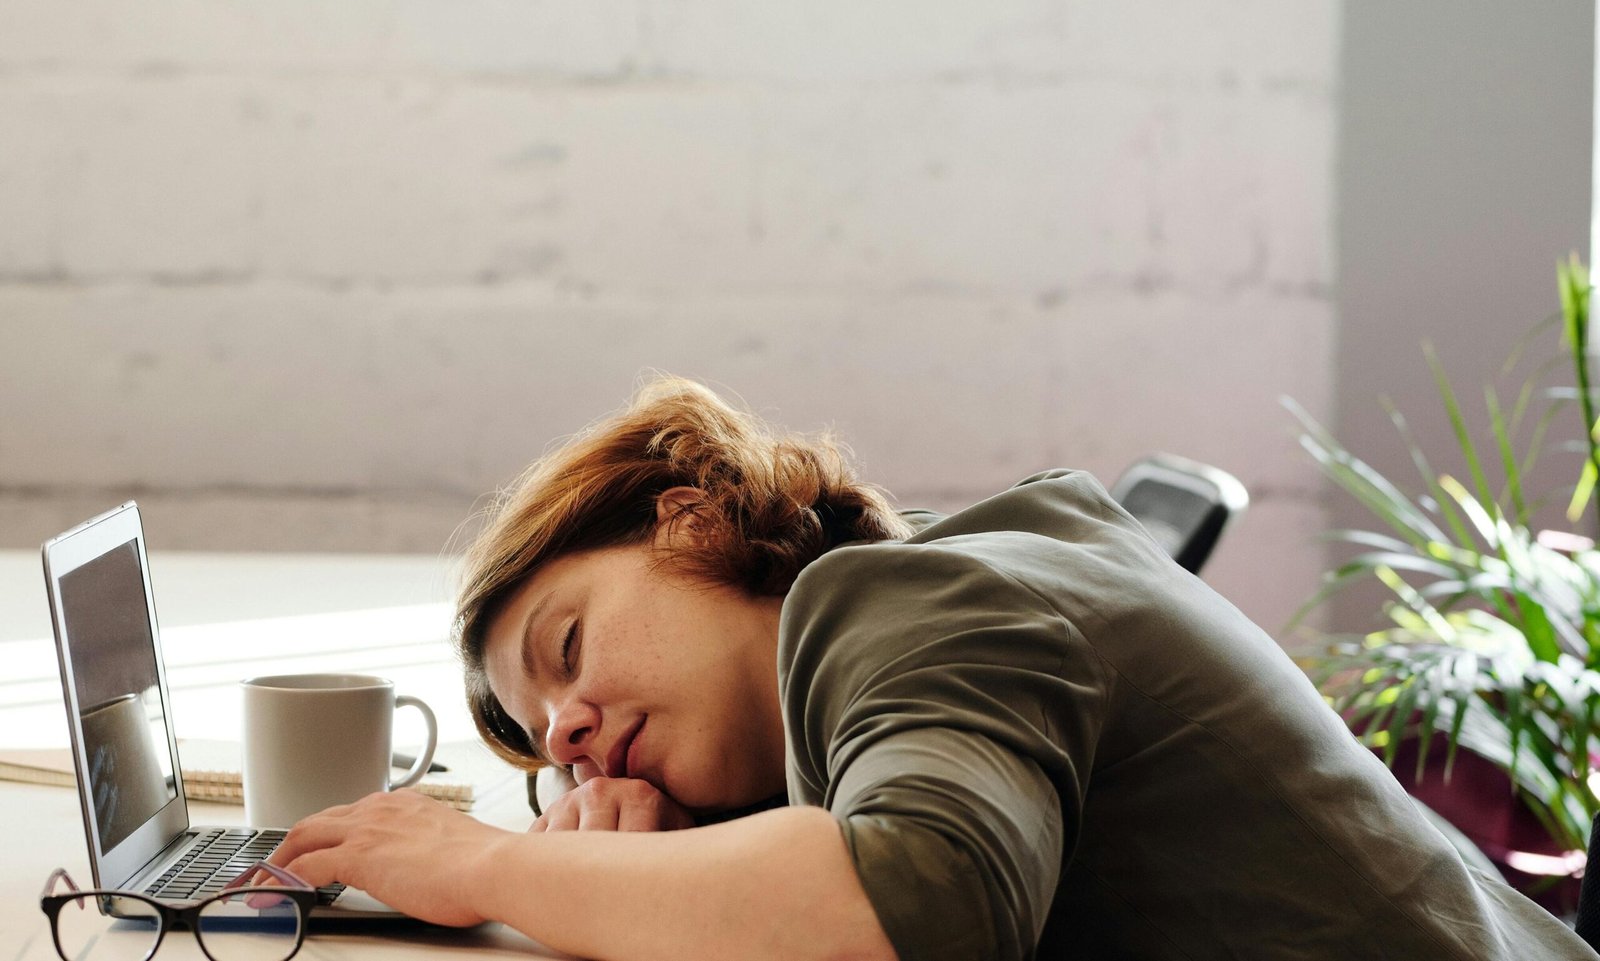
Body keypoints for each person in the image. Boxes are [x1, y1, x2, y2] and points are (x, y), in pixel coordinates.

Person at [264, 377, 1598, 960]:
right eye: (543, 731)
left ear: (683, 518)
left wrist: (498, 868)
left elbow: (928, 898)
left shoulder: (890, 605)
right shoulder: (949, 590)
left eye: (566, 648)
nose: (568, 730)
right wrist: (634, 873)